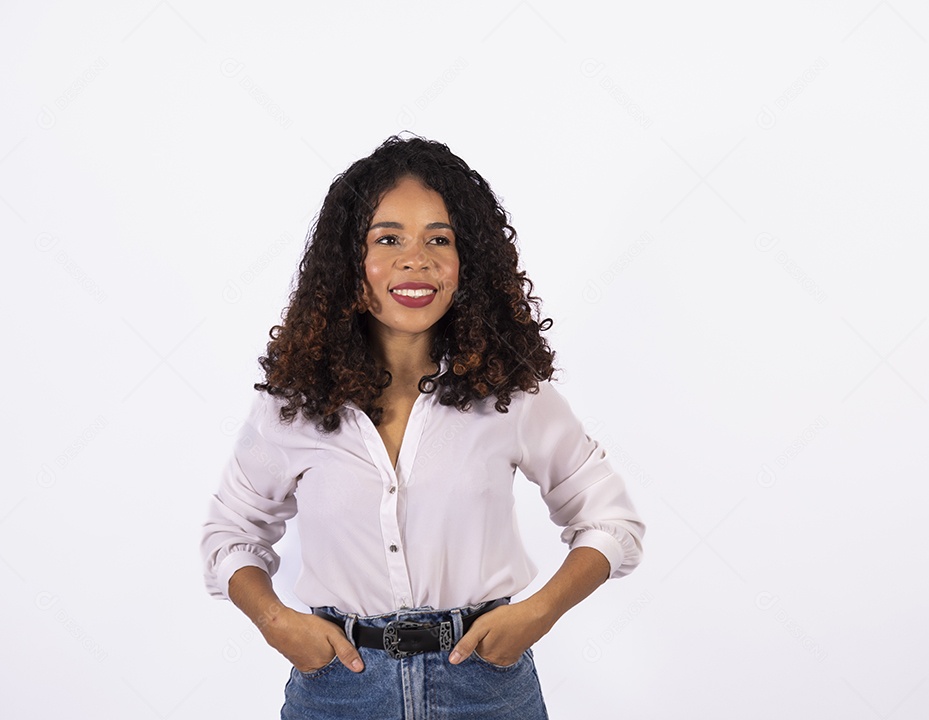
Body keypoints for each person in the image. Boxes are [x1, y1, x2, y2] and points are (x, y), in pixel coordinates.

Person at [201, 135, 645, 719]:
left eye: (440, 238)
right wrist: (275, 621)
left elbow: (612, 520)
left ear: (469, 265)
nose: (418, 259)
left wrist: (539, 613)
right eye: (388, 239)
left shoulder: (511, 396)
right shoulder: (295, 405)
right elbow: (231, 533)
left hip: (484, 689)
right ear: (349, 265)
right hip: (338, 689)